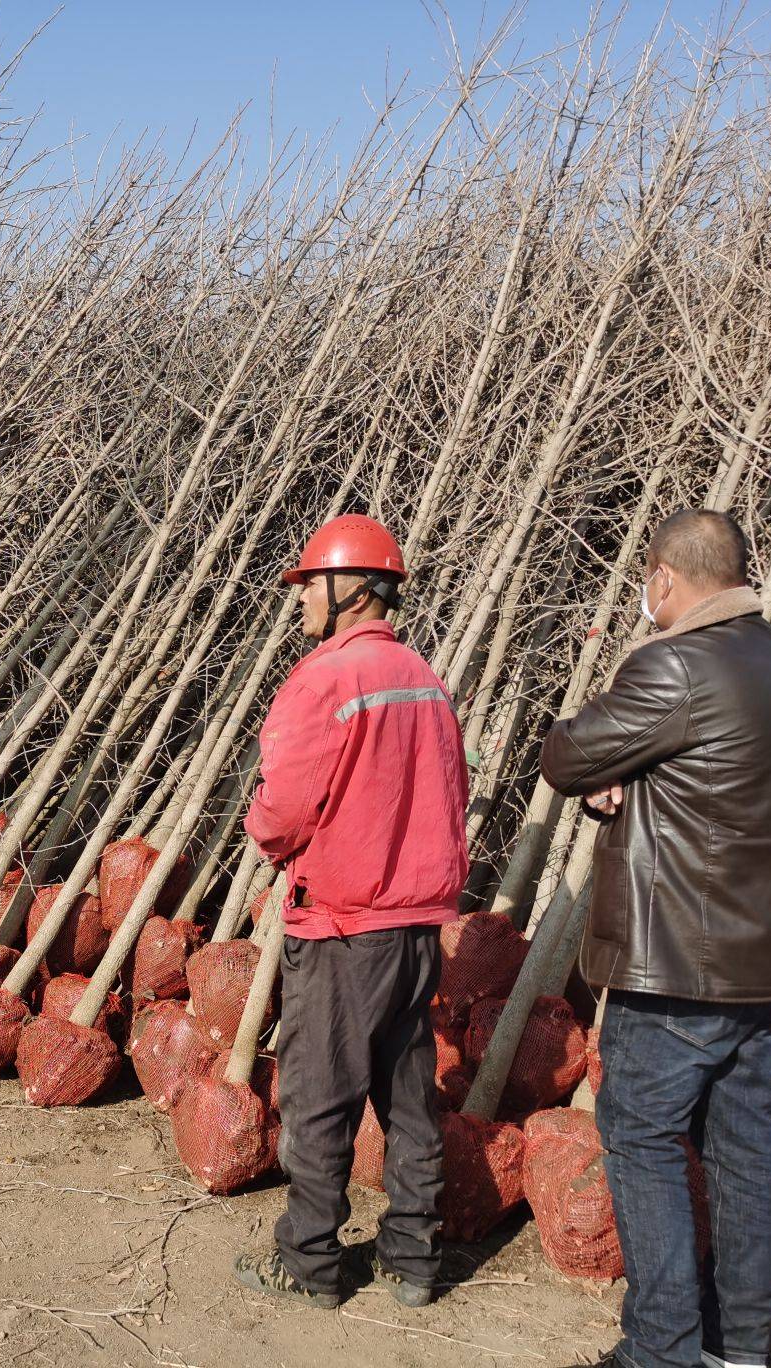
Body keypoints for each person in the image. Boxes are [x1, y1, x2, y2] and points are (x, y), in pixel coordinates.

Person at [540, 509, 771, 1368]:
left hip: (677, 969)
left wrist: (603, 772)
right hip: (759, 966)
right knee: (742, 1150)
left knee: (643, 1140)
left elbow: (566, 753)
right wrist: (623, 782)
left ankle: (658, 1349)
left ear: (663, 575)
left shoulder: (672, 666)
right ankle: (738, 1349)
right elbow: (708, 785)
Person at [233, 513, 470, 1310]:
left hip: (341, 930)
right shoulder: (425, 680)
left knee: (317, 1098)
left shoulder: (325, 680)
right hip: (414, 932)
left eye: (308, 586)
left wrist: (260, 824)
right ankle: (413, 1261)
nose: (300, 601)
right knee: (410, 1101)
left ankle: (309, 1264)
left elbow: (282, 811)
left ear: (350, 588)